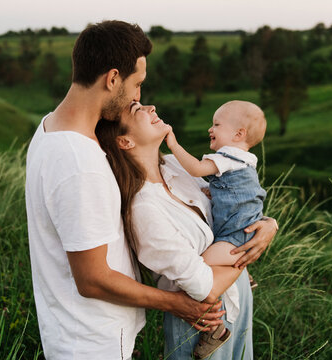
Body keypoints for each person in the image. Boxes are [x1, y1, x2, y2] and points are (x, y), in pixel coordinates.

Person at [25, 21, 227, 360]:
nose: (138, 97)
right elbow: (92, 279)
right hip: (92, 344)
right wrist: (176, 304)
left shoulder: (51, 127)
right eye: (137, 84)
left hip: (85, 335)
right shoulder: (79, 162)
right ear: (112, 78)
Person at [95, 102, 278, 359]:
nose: (151, 106)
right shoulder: (143, 207)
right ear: (124, 141)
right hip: (201, 319)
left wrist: (269, 225)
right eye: (138, 110)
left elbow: (232, 201)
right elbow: (205, 287)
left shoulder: (174, 165)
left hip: (238, 298)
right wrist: (249, 253)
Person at [164, 100, 268, 357]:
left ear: (238, 134)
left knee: (199, 271)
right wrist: (214, 191)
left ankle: (215, 330)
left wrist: (173, 145)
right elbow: (238, 192)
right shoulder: (245, 159)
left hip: (234, 237)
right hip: (245, 229)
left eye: (217, 124)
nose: (210, 129)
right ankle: (245, 274)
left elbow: (197, 168)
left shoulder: (226, 156)